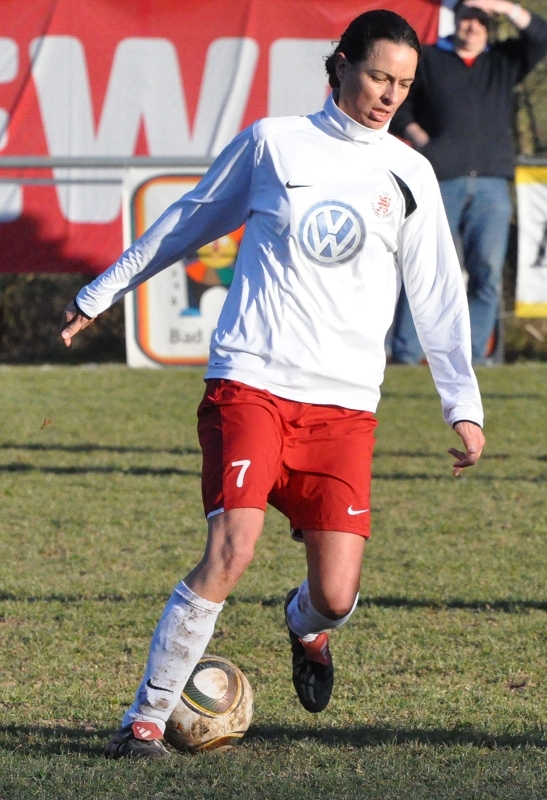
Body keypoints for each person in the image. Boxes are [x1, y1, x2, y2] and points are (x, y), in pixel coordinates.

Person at [61, 10, 485, 760]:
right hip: (251, 381)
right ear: (341, 65)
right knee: (233, 545)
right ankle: (145, 722)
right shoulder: (271, 143)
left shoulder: (409, 174)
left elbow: (439, 295)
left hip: (345, 408)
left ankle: (305, 625)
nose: (390, 95)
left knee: (337, 593)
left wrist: (462, 406)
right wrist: (103, 291)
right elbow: (188, 220)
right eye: (379, 76)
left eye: (404, 84)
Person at [390, 0, 547, 365]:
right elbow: (399, 106)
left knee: (486, 273)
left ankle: (472, 357)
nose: (472, 27)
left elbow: (541, 35)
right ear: (455, 21)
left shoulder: (503, 61)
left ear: (490, 26)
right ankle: (406, 355)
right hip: (441, 180)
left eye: (480, 21)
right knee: (428, 268)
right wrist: (422, 138)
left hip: (492, 184)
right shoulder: (427, 59)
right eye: (466, 18)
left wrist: (502, 6)